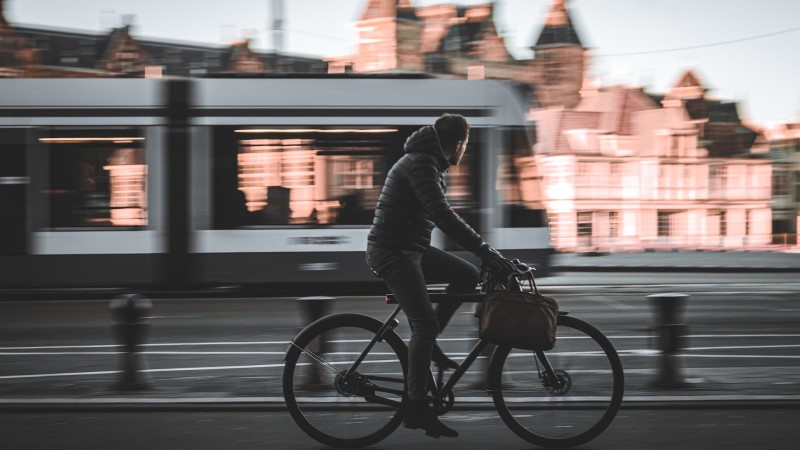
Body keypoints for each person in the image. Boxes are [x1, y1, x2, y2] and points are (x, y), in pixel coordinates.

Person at [365, 114, 515, 438]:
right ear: (459, 143)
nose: (465, 150)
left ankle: (428, 347)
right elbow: (441, 214)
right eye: (466, 144)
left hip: (410, 248)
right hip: (393, 252)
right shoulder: (422, 163)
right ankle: (416, 407)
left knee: (467, 275)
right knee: (425, 325)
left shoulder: (428, 161)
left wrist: (482, 255)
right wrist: (486, 249)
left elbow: (438, 214)